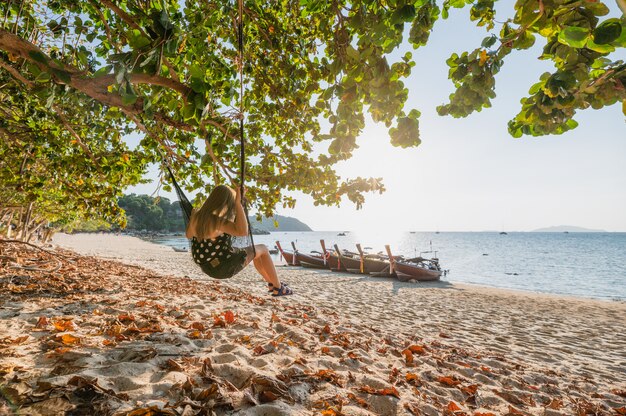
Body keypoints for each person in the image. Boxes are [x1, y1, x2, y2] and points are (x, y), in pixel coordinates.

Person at [185, 184, 293, 296]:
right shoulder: (217, 222)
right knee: (264, 249)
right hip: (222, 267)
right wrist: (238, 204)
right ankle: (279, 288)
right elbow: (242, 232)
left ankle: (272, 283)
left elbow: (188, 235)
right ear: (226, 202)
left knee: (257, 253)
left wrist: (193, 215)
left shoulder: (196, 216)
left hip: (207, 266)